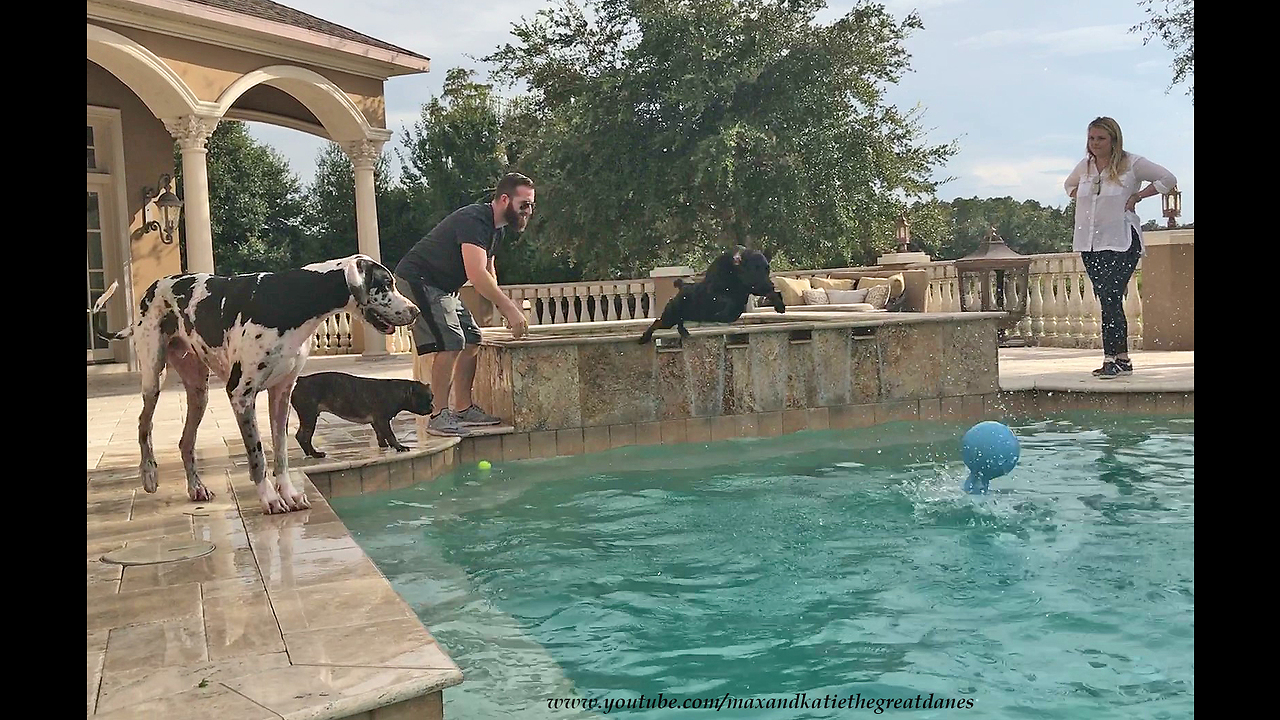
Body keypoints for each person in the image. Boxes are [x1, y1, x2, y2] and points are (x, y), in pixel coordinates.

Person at [394, 172, 534, 436]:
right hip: (418, 279)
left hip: (444, 287)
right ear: (505, 199)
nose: (528, 211)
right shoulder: (474, 220)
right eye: (523, 204)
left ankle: (462, 407)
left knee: (472, 338)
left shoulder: (496, 230)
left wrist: (498, 307)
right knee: (451, 341)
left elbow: (488, 270)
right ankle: (436, 414)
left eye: (531, 206)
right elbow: (475, 273)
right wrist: (510, 308)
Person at [1064, 116, 1177, 379]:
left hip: (1122, 240)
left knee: (1111, 297)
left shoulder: (1132, 163)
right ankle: (1122, 358)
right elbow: (1069, 186)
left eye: (1101, 138)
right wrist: (1090, 202)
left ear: (1114, 139)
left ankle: (1110, 358)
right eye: (1091, 138)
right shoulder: (1086, 167)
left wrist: (1138, 196)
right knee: (1108, 299)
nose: (1095, 144)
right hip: (1091, 243)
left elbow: (1167, 179)